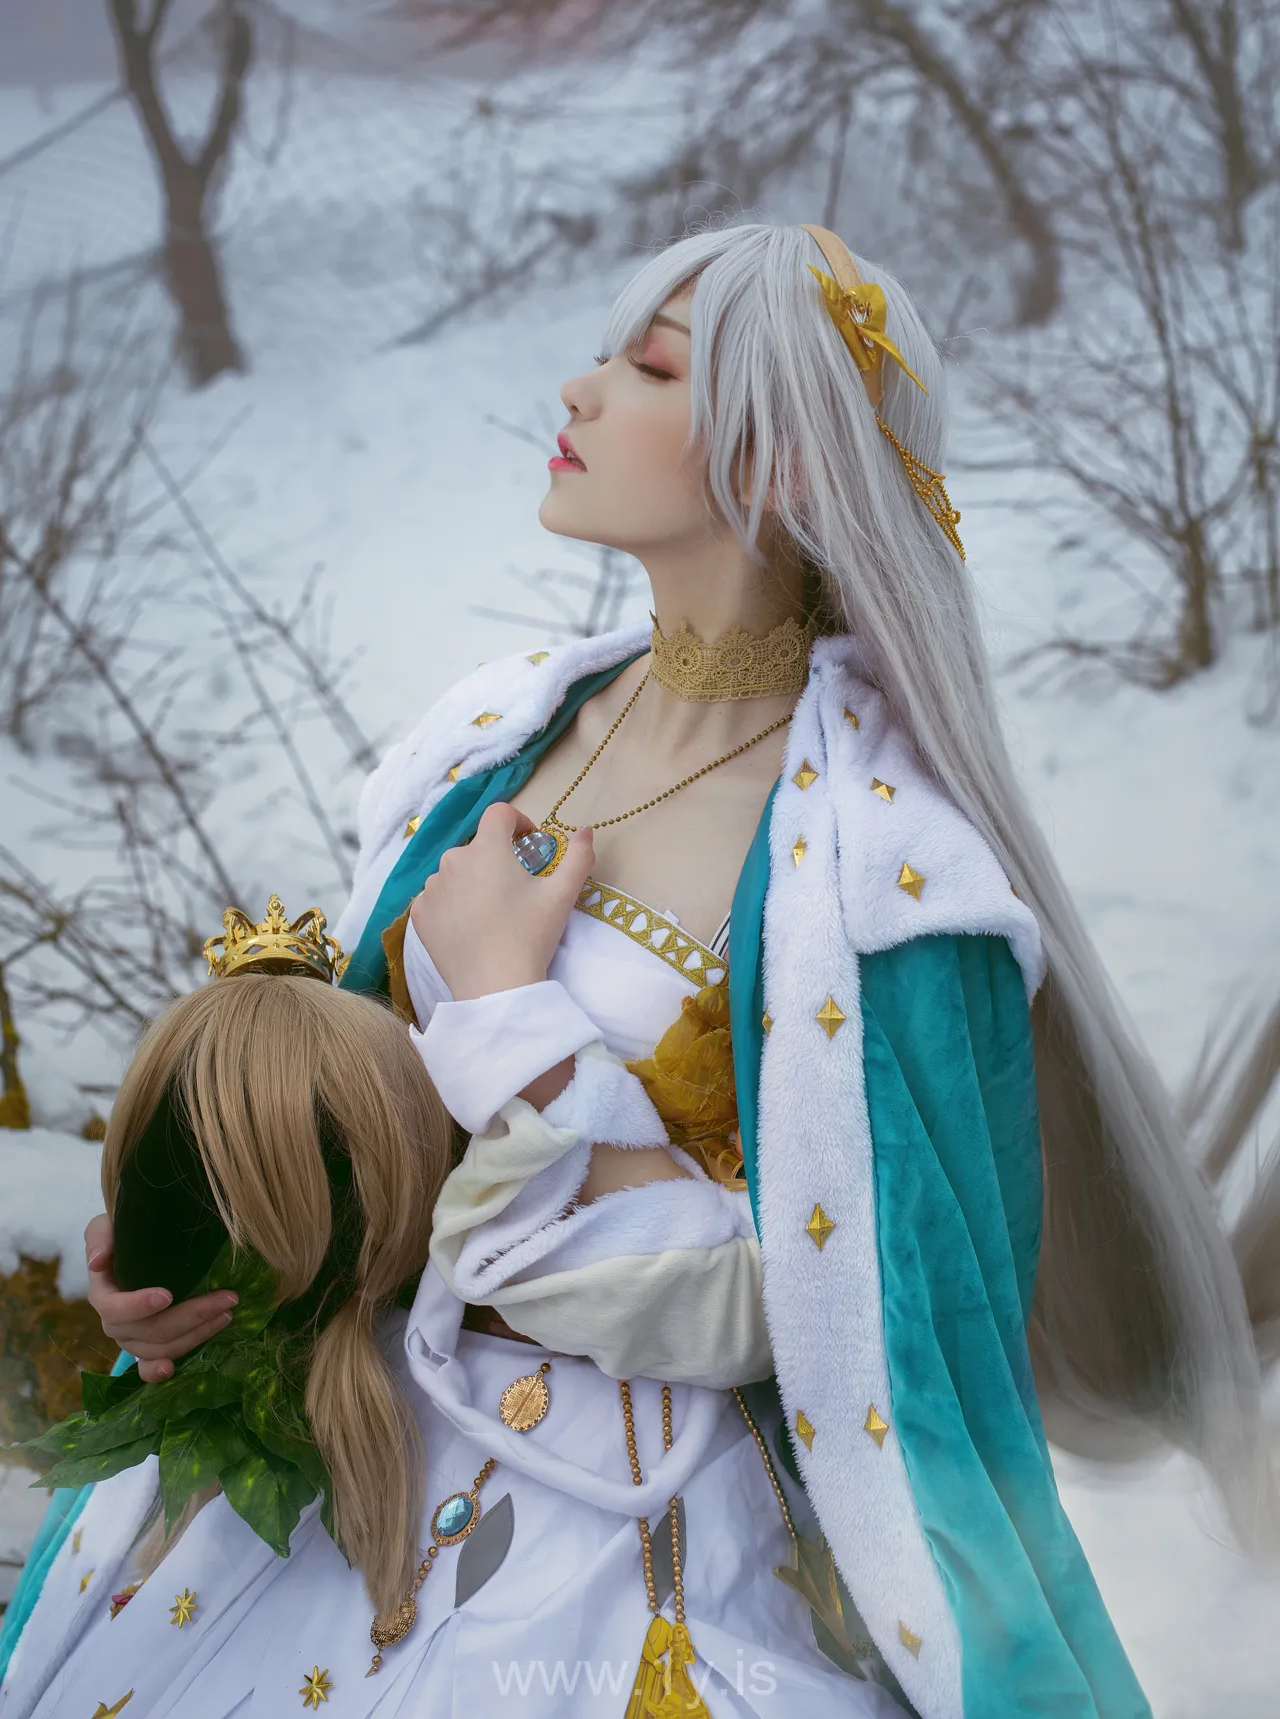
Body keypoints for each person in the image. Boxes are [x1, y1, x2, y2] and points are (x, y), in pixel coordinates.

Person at [4, 222, 1276, 1718]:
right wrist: (216, 1260)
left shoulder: (888, 882)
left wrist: (507, 1013)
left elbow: (832, 1318)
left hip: (623, 1544)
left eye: (651, 369)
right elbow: (368, 1139)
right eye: (607, 354)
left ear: (784, 463)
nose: (581, 389)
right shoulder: (492, 739)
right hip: (344, 1463)